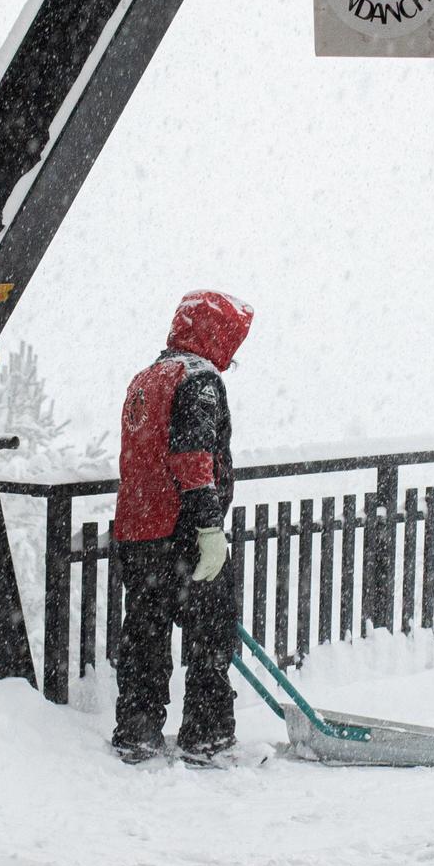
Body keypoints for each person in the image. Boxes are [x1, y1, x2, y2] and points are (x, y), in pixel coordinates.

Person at [110, 290, 254, 765]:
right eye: (230, 341)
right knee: (210, 633)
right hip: (185, 532)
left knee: (146, 633)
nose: (232, 356)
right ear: (214, 336)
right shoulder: (199, 380)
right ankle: (206, 735)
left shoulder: (146, 378)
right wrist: (209, 529)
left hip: (138, 531)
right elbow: (193, 457)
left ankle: (138, 731)